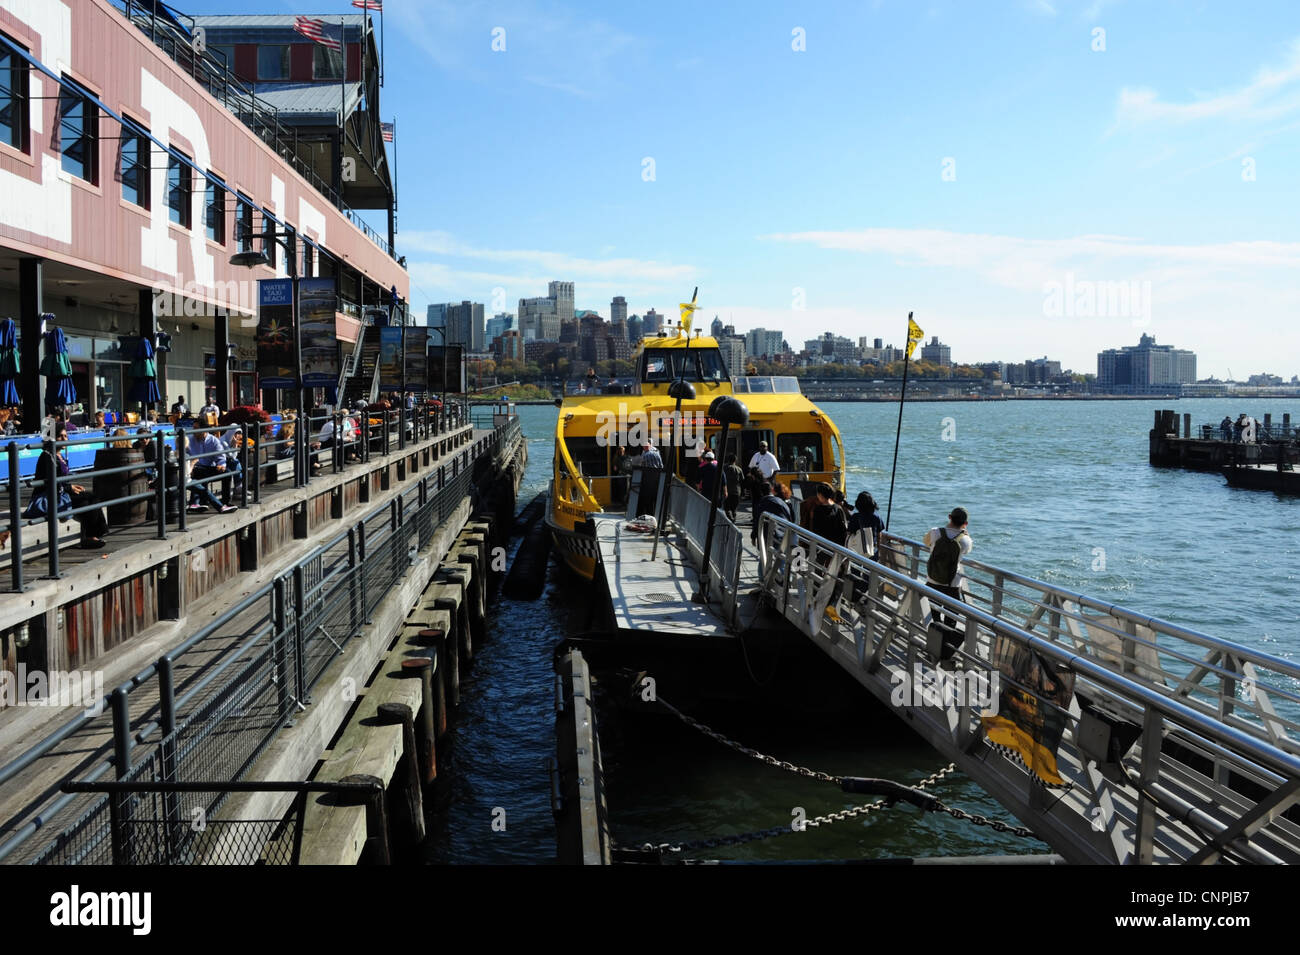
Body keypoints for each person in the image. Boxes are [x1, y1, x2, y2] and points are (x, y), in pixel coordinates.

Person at [24, 425, 108, 548]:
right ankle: (90, 536)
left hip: (61, 491)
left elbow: (60, 480)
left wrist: (71, 486)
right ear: (52, 439)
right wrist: (69, 488)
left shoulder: (59, 455)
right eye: (60, 436)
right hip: (49, 495)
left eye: (66, 436)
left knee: (93, 497)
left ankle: (97, 533)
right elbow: (52, 480)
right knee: (85, 501)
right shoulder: (47, 456)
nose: (65, 439)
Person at [924, 507, 973, 635]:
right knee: (951, 620)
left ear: (949, 517)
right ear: (965, 523)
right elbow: (968, 550)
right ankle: (944, 647)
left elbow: (925, 541)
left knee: (934, 617)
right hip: (952, 585)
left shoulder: (935, 532)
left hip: (932, 581)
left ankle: (934, 642)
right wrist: (965, 533)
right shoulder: (965, 540)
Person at [185, 429, 236, 513]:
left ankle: (224, 502)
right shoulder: (189, 439)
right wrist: (193, 463)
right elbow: (185, 460)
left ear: (204, 431)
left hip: (208, 467)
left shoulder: (213, 440)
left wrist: (221, 465)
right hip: (194, 469)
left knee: (227, 472)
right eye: (193, 428)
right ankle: (197, 503)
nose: (194, 431)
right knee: (199, 475)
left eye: (196, 429)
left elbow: (221, 456)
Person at [847, 491, 884, 560]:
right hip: (872, 551)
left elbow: (849, 533)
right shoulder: (877, 518)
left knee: (855, 569)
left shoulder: (855, 517)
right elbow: (879, 536)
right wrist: (879, 551)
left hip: (856, 551)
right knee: (871, 569)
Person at [809, 482, 848, 546]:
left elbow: (815, 529)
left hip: (821, 545)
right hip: (836, 545)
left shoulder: (817, 510)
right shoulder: (838, 508)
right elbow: (843, 528)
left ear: (820, 495)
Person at [722, 453, 744, 522]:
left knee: (727, 508)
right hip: (736, 492)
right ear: (735, 461)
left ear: (728, 460)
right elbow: (742, 481)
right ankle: (733, 519)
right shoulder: (739, 469)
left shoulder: (723, 468)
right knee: (734, 509)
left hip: (727, 491)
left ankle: (731, 519)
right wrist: (743, 492)